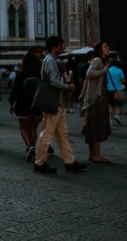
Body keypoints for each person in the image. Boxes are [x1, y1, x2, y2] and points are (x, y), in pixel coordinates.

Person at [33, 36, 87, 174]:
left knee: (63, 134)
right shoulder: (50, 60)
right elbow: (53, 81)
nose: (62, 48)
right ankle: (39, 163)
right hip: (54, 102)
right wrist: (68, 87)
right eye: (61, 45)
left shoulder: (51, 60)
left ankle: (70, 162)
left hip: (59, 103)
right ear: (56, 46)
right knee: (47, 134)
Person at [80, 40, 112, 163]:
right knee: (97, 126)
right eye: (105, 46)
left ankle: (92, 154)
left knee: (92, 126)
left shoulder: (99, 61)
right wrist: (105, 69)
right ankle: (96, 155)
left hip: (97, 97)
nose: (108, 48)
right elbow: (89, 74)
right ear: (100, 50)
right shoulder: (98, 61)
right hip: (98, 99)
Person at [9, 48, 43, 162]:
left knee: (23, 128)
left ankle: (29, 147)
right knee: (33, 128)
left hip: (23, 105)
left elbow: (15, 90)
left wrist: (11, 104)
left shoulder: (21, 74)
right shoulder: (39, 74)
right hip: (37, 105)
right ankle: (33, 150)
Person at [106, 57, 125, 125]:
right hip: (118, 90)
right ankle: (117, 115)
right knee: (120, 103)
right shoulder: (119, 70)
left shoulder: (108, 70)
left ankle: (110, 120)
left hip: (109, 89)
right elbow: (123, 81)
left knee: (111, 105)